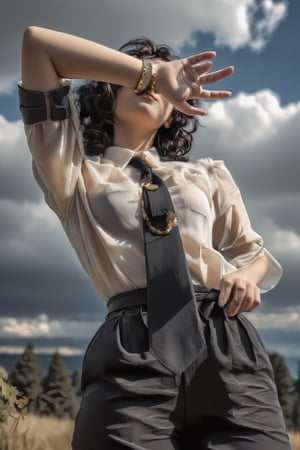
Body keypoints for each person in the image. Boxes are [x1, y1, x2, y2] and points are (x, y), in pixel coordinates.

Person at [19, 26, 291, 450]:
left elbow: (253, 253)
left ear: (173, 114)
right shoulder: (72, 171)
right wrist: (150, 73)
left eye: (166, 89)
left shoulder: (207, 174)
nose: (148, 87)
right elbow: (38, 45)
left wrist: (246, 277)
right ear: (110, 93)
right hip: (131, 352)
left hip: (226, 342)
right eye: (133, 81)